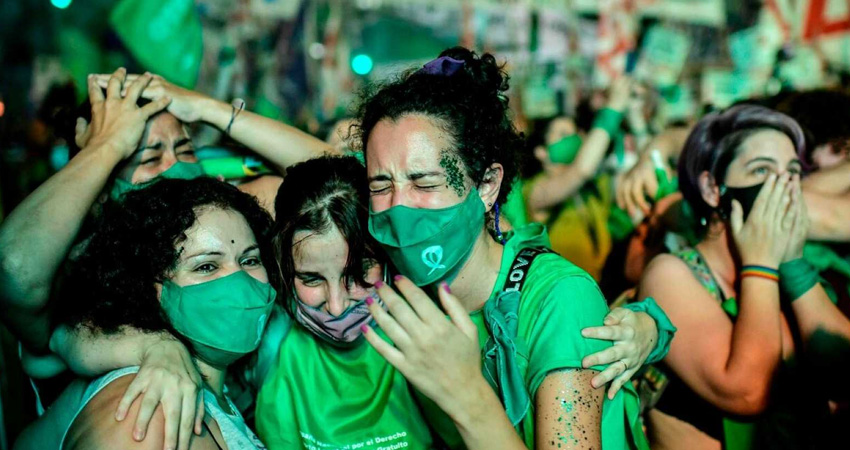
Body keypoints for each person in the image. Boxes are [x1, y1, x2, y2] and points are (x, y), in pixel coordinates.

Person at [45, 155, 668, 450]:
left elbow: (530, 316)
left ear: (388, 258)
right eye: (311, 280)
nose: (338, 303)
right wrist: (153, 346)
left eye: (357, 272)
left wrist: (649, 327)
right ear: (283, 275)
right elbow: (55, 331)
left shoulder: (427, 322)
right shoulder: (264, 331)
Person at [355, 47, 673, 449]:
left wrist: (466, 395)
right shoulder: (400, 287)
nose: (398, 207)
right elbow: (314, 181)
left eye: (425, 184)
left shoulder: (558, 300)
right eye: (380, 186)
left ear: (487, 185)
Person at [0, 68, 333, 450]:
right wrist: (105, 146)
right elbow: (13, 269)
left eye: (186, 150)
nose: (176, 169)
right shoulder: (75, 275)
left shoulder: (230, 221)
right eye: (150, 156)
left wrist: (206, 107)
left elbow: (335, 184)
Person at [636, 105, 850, 449]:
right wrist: (760, 266)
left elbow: (842, 370)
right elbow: (748, 391)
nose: (784, 186)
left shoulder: (789, 269)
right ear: (712, 188)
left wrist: (793, 264)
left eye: (792, 172)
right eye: (762, 170)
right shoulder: (672, 274)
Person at [15, 177, 277, 450]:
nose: (240, 281)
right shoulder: (148, 410)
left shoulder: (208, 386)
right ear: (148, 289)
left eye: (250, 260)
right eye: (206, 266)